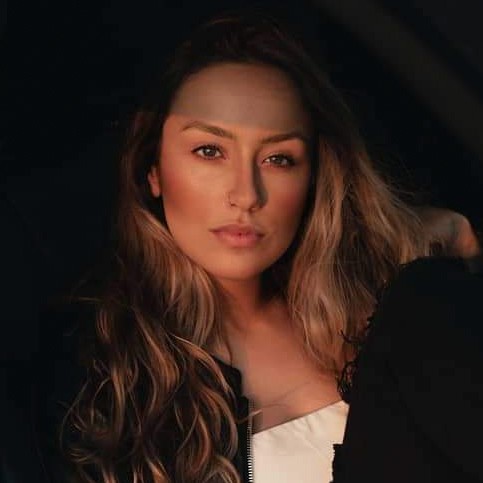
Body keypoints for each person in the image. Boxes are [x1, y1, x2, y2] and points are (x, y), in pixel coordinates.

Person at [36, 7, 482, 483]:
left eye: (278, 158)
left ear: (313, 177)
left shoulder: (396, 300)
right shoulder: (107, 380)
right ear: (153, 170)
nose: (246, 194)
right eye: (210, 151)